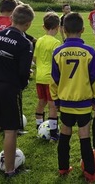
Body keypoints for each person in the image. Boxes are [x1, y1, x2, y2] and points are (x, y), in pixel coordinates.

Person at [0, 4, 35, 177]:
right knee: (11, 129)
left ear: (12, 17)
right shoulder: (24, 43)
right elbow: (23, 72)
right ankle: (10, 170)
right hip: (9, 87)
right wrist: (21, 84)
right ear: (28, 24)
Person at [51, 12, 95, 181]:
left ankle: (63, 168)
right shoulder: (89, 51)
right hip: (83, 103)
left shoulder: (58, 51)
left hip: (65, 102)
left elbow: (54, 79)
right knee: (84, 136)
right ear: (82, 30)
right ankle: (90, 172)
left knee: (65, 134)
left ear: (64, 30)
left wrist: (56, 99)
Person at [33, 12, 62, 140]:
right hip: (50, 77)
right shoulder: (56, 42)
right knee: (52, 105)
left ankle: (39, 127)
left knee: (41, 101)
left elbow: (34, 57)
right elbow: (58, 61)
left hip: (39, 76)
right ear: (57, 27)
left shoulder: (39, 40)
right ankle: (54, 132)